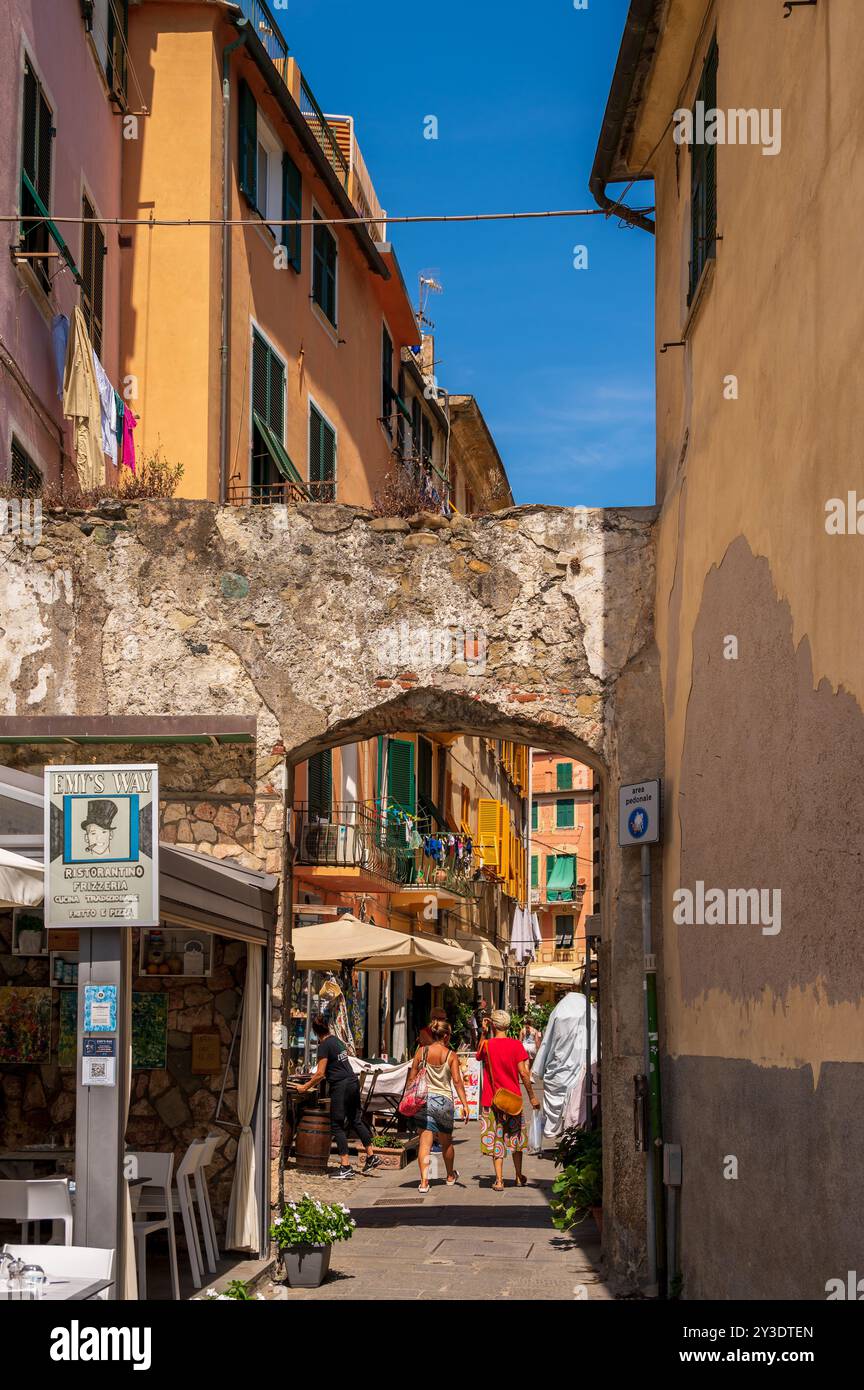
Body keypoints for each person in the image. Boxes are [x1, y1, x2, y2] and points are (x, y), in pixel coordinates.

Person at [295, 1014, 380, 1181]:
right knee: (356, 1120)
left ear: (315, 1031)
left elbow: (320, 1073)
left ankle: (345, 1166)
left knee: (337, 1125)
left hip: (341, 1086)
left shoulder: (324, 1045)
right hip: (352, 1082)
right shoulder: (336, 1041)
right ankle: (371, 1156)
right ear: (327, 1027)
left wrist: (304, 1087)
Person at [477, 1009, 540, 1191]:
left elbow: (478, 1055)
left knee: (497, 1139)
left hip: (492, 1100)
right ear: (508, 1025)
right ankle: (519, 1176)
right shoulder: (516, 1045)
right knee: (516, 1139)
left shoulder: (487, 1045)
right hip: (513, 1099)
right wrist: (533, 1096)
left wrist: (483, 1032)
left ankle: (499, 1180)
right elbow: (524, 1073)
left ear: (493, 1025)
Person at [406, 1018, 470, 1192]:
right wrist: (465, 1104)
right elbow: (457, 1081)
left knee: (424, 1143)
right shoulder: (451, 1055)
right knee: (446, 1143)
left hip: (424, 1100)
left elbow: (412, 1076)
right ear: (447, 1036)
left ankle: (424, 1182)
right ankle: (450, 1175)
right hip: (444, 1102)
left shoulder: (421, 1051)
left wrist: (409, 1095)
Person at [531, 990, 598, 1139]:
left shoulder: (560, 1011)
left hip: (561, 1069)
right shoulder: (592, 1014)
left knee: (560, 1105)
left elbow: (548, 1040)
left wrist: (539, 1068)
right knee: (581, 1105)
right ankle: (576, 1136)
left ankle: (556, 1132)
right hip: (586, 1069)